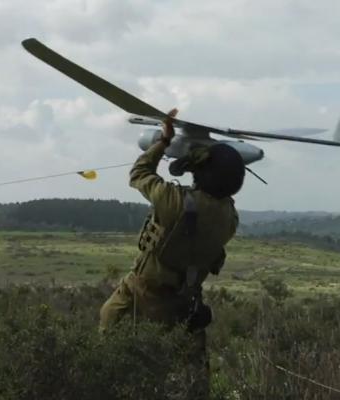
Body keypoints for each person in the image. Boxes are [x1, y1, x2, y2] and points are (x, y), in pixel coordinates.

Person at [98, 108, 245, 396]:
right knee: (183, 371)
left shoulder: (173, 201)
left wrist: (163, 143)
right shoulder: (230, 218)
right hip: (184, 302)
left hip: (144, 292)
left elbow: (139, 173)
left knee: (109, 332)